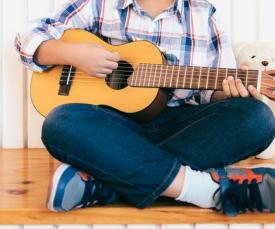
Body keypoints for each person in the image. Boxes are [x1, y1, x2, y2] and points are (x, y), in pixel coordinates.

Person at [16, 0, 275, 216]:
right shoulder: (99, 5)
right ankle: (203, 190)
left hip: (182, 126)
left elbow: (211, 93)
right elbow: (27, 37)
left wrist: (229, 91)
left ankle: (105, 183)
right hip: (113, 130)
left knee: (256, 117)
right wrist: (74, 55)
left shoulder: (204, 14)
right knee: (60, 121)